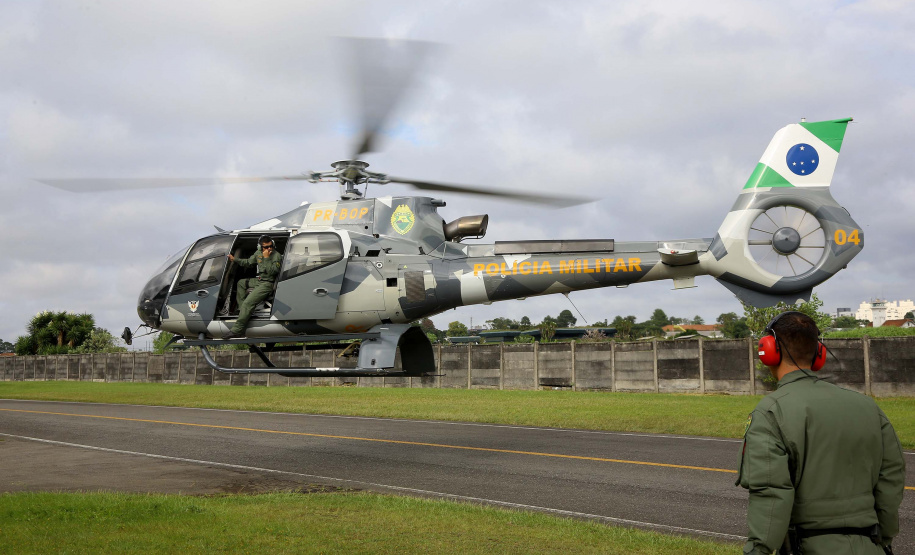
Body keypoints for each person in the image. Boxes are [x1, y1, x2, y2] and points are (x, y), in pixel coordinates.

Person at [737, 311, 905, 554]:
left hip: (806, 546)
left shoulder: (770, 412)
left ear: (769, 351)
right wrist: (884, 537)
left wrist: (757, 550)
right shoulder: (869, 407)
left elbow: (771, 493)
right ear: (819, 353)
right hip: (870, 545)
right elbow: (891, 476)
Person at [225, 236, 283, 338]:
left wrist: (266, 259)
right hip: (259, 281)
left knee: (248, 303)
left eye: (270, 246)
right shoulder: (258, 253)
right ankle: (242, 310)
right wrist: (235, 259)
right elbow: (248, 262)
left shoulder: (276, 256)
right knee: (241, 283)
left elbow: (272, 272)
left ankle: (237, 330)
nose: (269, 249)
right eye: (266, 247)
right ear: (260, 247)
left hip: (268, 283)